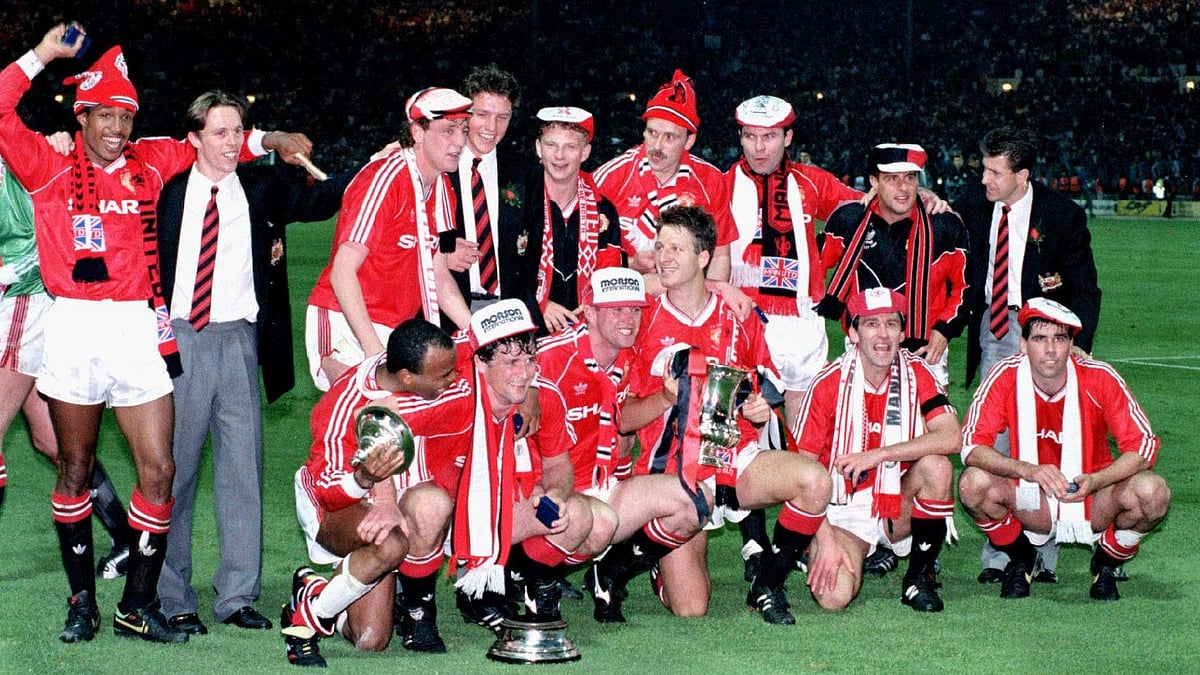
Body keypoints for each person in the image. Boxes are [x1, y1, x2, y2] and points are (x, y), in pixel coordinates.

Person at [0, 25, 308, 644]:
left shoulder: (154, 158)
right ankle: (82, 599)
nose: (117, 128)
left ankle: (136, 604)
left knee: (161, 469)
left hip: (142, 325)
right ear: (82, 115)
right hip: (75, 324)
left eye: (126, 117)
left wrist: (272, 137)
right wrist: (43, 55)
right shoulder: (47, 165)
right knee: (75, 467)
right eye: (106, 115)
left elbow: (227, 144)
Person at [154, 90, 353, 635]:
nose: (230, 142)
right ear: (193, 138)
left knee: (243, 472)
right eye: (218, 133)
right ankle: (173, 594)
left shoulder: (263, 187)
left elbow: (329, 197)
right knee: (178, 470)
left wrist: (368, 161)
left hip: (242, 341)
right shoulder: (167, 191)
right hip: (182, 340)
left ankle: (237, 594)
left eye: (238, 132)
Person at [589, 206, 834, 626]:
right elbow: (623, 419)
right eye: (660, 245)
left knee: (815, 481)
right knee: (691, 607)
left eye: (676, 248)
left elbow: (764, 392)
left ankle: (768, 582)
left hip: (733, 461)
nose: (663, 256)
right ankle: (630, 561)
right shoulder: (641, 319)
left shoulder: (740, 316)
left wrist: (759, 411)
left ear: (704, 257)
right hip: (671, 473)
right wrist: (666, 398)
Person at [957, 126, 1101, 583]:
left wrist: (1074, 346)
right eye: (984, 169)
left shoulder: (1062, 216)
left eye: (995, 172)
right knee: (997, 443)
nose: (985, 180)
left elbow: (1086, 288)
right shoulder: (973, 207)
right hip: (994, 330)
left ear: (1023, 175)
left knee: (1047, 439)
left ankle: (1047, 554)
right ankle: (1002, 554)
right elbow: (937, 221)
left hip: (1046, 334)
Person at [282, 319, 470, 666]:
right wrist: (365, 478)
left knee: (371, 639)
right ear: (407, 378)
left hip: (400, 502)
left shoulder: (431, 369)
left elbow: (481, 344)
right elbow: (326, 490)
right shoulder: (344, 405)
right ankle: (309, 613)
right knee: (390, 543)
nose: (454, 379)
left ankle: (322, 591)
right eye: (444, 376)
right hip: (337, 507)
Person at [957, 298, 1168, 601]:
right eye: (1040, 339)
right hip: (1032, 497)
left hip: (1093, 498)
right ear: (1023, 343)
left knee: (1153, 493)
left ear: (1072, 345)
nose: (1051, 349)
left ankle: (1105, 562)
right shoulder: (1004, 375)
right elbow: (972, 446)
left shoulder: (1100, 376)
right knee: (972, 483)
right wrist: (1029, 470)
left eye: (1060, 339)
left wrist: (1097, 480)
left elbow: (1144, 446)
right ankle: (1022, 556)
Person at [1, 144, 138, 579]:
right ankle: (128, 539)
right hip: (17, 309)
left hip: (25, 305)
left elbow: (41, 246)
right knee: (52, 442)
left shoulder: (18, 168)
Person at [792, 287, 961, 613]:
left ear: (902, 332)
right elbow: (799, 475)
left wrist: (882, 454)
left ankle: (918, 577)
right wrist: (822, 537)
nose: (883, 334)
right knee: (832, 597)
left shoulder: (917, 372)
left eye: (892, 324)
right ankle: (817, 549)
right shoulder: (829, 382)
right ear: (853, 332)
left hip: (897, 500)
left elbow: (951, 436)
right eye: (871, 324)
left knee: (937, 467)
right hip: (843, 507)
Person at [305, 86, 473, 390]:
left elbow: (437, 274)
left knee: (397, 431)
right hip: (346, 320)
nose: (460, 141)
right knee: (369, 422)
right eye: (448, 130)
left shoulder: (442, 188)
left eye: (463, 129)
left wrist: (478, 332)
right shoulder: (384, 179)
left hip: (395, 329)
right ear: (417, 132)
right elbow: (343, 272)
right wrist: (375, 357)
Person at [817, 144, 970, 386]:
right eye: (892, 179)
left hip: (924, 349)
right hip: (862, 347)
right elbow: (811, 269)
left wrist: (944, 330)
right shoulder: (848, 220)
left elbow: (965, 287)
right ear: (873, 182)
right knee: (860, 422)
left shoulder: (945, 226)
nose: (903, 187)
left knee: (928, 423)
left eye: (910, 178)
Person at [592, 70, 736, 282]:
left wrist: (711, 309)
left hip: (685, 298)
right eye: (652, 133)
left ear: (689, 141)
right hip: (622, 295)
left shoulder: (711, 180)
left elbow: (721, 255)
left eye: (669, 137)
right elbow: (582, 252)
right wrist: (631, 264)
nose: (657, 146)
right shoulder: (609, 177)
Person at [515, 106, 622, 333]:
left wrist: (592, 309)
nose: (559, 155)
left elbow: (610, 276)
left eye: (570, 146)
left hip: (586, 330)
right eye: (551, 145)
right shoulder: (517, 203)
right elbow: (506, 273)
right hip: (526, 327)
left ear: (585, 152)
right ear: (538, 148)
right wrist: (539, 304)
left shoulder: (604, 210)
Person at [440, 66, 525, 327]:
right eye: (482, 115)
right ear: (464, 114)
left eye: (503, 117)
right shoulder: (439, 166)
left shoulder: (525, 172)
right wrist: (442, 253)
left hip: (508, 310)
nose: (492, 127)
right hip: (446, 313)